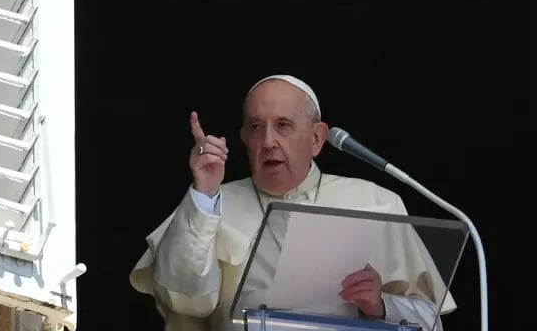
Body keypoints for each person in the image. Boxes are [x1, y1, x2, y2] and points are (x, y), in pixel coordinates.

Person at [129, 75, 456, 331]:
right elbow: (185, 301)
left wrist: (381, 305)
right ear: (245, 139)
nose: (269, 141)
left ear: (316, 138)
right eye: (257, 128)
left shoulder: (375, 201)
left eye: (283, 126)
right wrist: (203, 192)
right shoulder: (214, 202)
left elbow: (429, 321)